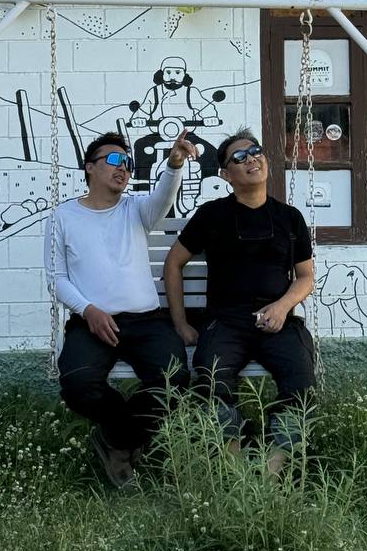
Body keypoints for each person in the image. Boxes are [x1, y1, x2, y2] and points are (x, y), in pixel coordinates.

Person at [45, 127, 197, 488]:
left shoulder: (136, 209)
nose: (123, 167)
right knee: (77, 384)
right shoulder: (63, 217)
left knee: (174, 381)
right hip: (91, 322)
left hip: (146, 322)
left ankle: (117, 440)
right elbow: (57, 278)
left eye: (127, 162)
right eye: (113, 160)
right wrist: (89, 310)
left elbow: (162, 198)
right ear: (89, 168)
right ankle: (128, 437)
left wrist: (174, 165)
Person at [163, 129, 316, 472]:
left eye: (256, 151)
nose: (252, 159)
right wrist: (180, 322)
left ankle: (272, 467)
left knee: (302, 381)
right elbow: (173, 263)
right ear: (226, 175)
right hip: (226, 321)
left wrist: (281, 307)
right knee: (210, 380)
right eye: (240, 157)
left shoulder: (289, 217)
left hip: (278, 320)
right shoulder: (211, 215)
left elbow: (305, 277)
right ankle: (234, 460)